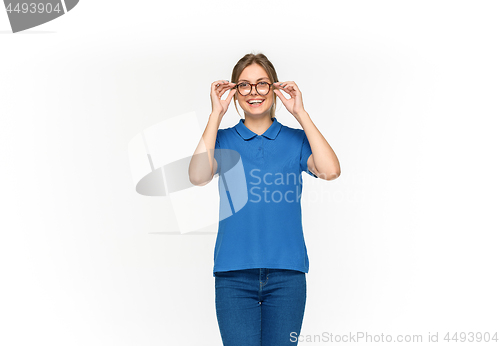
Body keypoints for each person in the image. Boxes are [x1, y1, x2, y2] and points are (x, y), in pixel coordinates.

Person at [188, 53, 341, 346]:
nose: (254, 92)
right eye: (244, 85)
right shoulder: (221, 140)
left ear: (274, 89)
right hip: (233, 275)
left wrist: (301, 113)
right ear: (234, 92)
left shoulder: (295, 140)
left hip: (287, 275)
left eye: (262, 84)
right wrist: (215, 114)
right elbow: (197, 176)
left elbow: (331, 171)